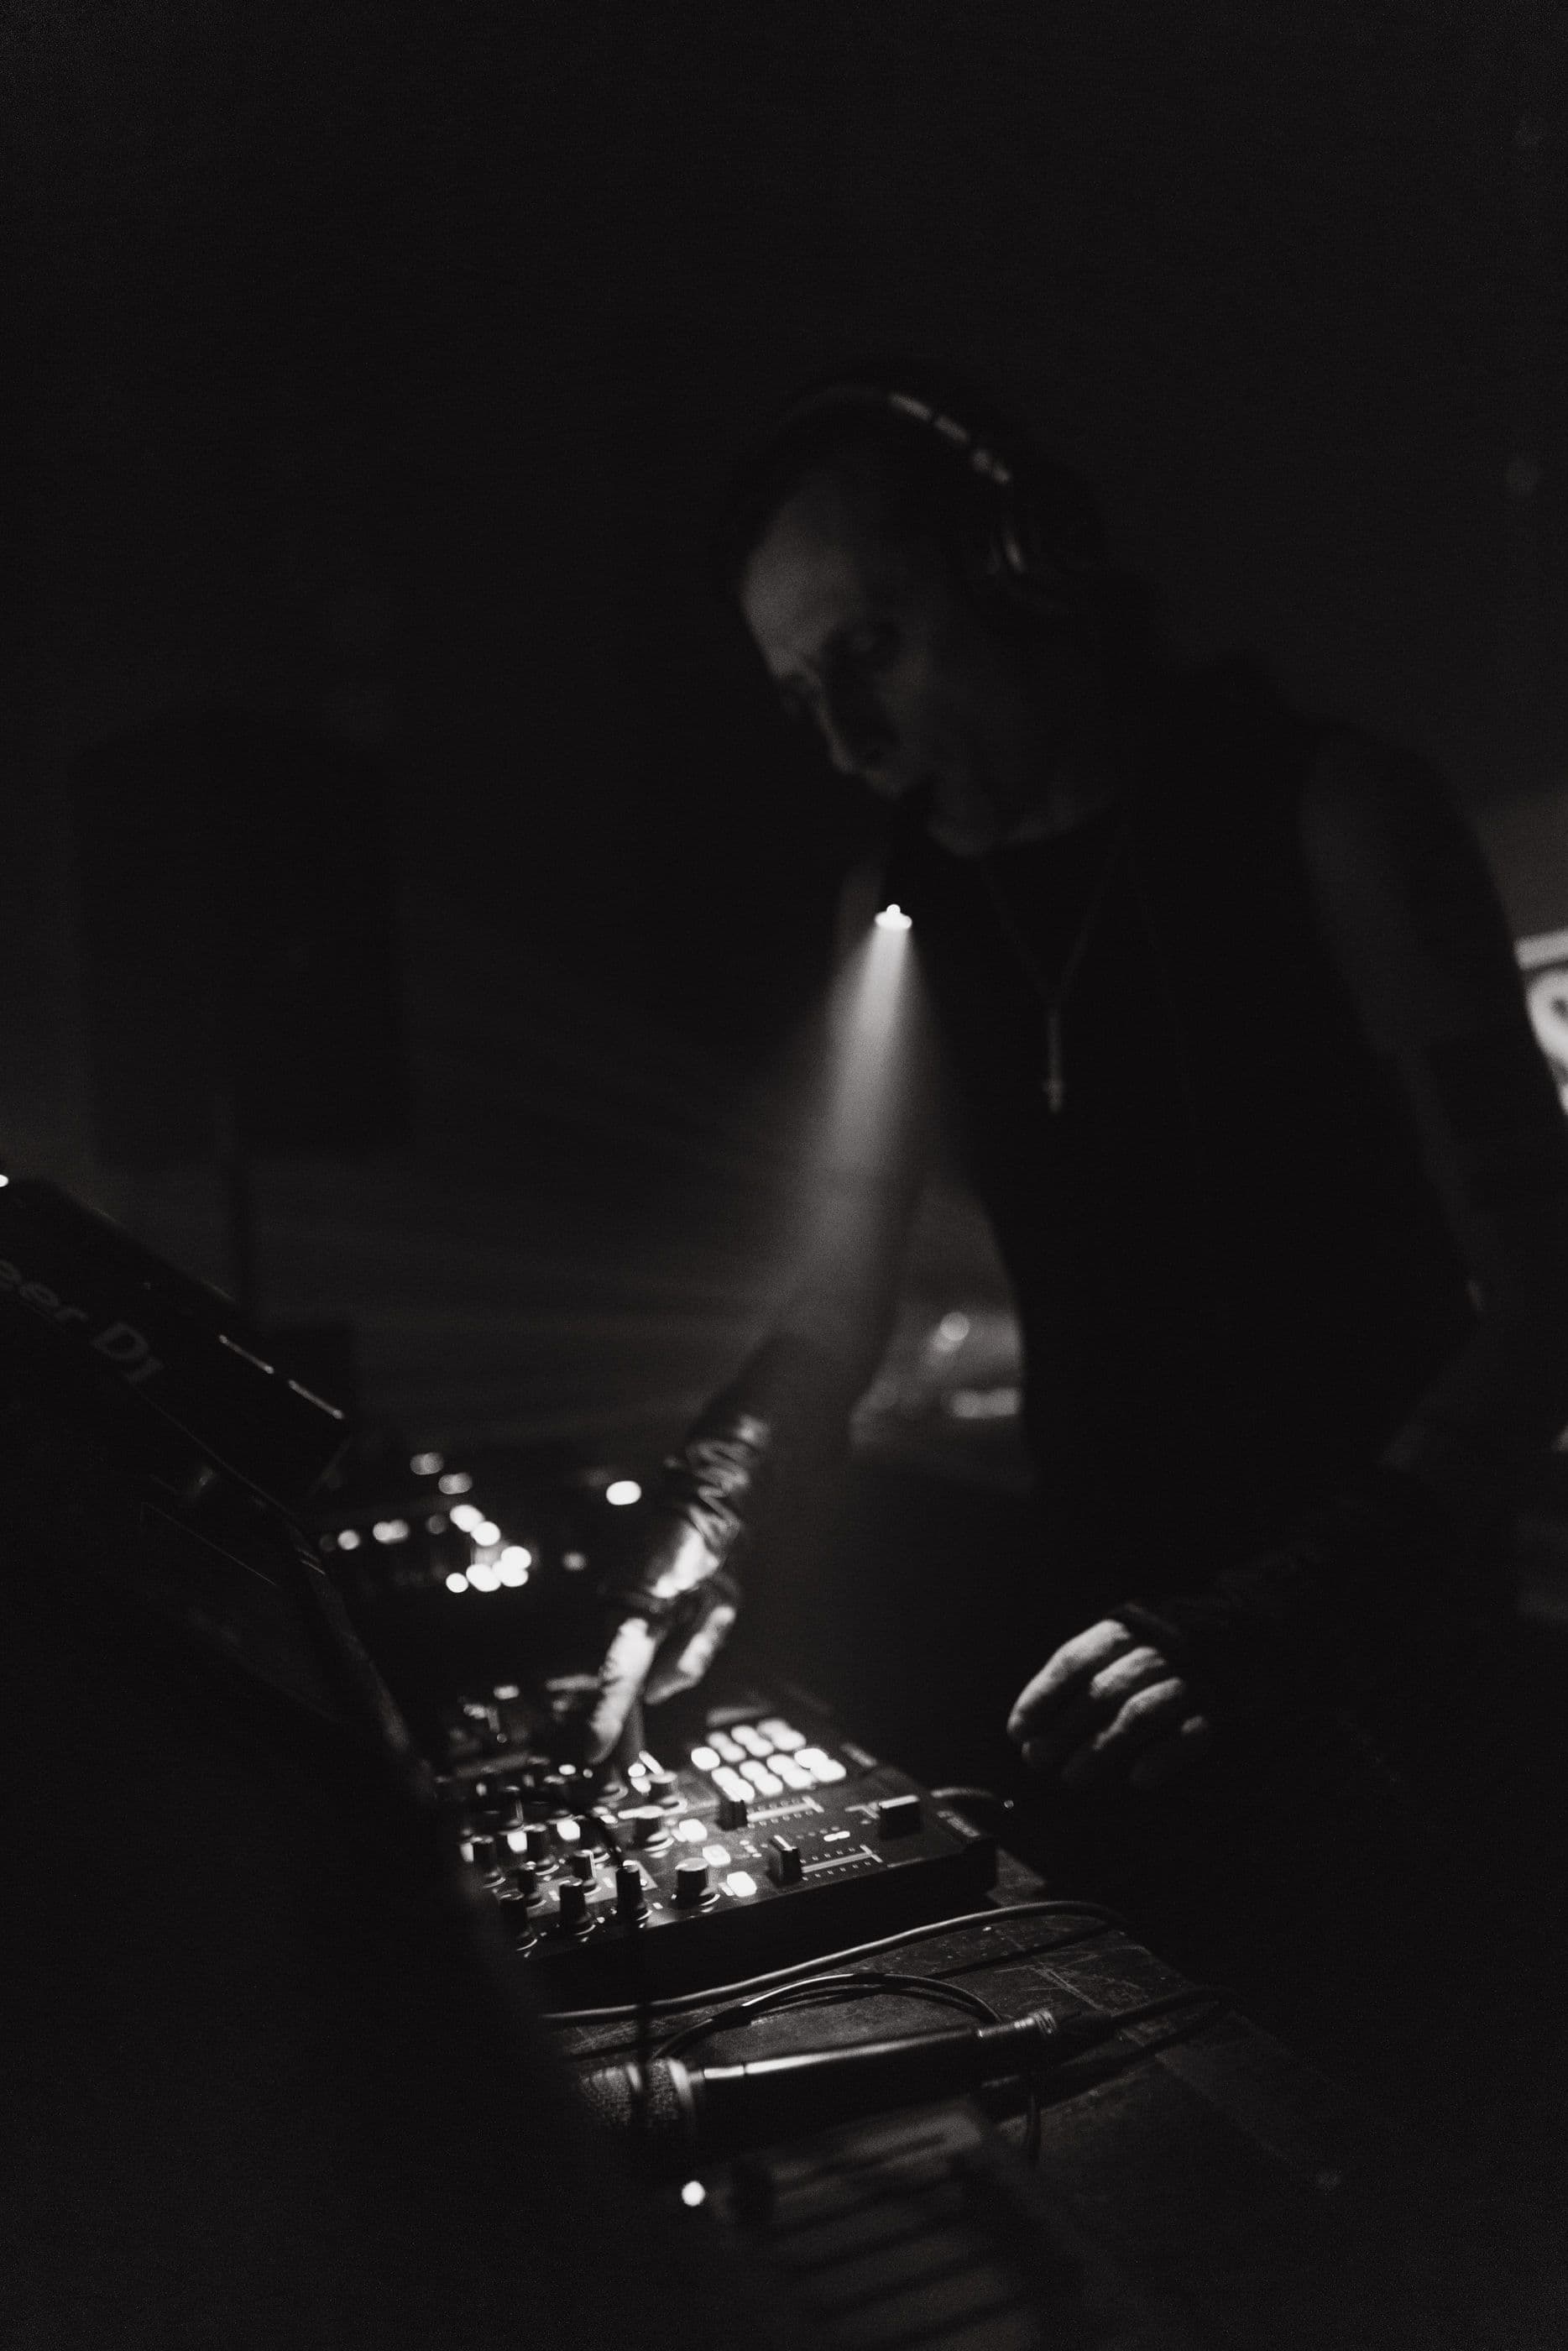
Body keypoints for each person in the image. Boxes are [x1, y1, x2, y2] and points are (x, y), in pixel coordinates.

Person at [576, 378, 1568, 2077]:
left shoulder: (1332, 814)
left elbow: (1550, 1282)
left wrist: (1289, 1612)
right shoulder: (900, 909)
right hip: (1117, 1674)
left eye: (871, 649)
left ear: (1022, 566)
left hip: (1393, 1664)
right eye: (803, 695)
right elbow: (835, 1307)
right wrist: (712, 1509)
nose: (847, 739)